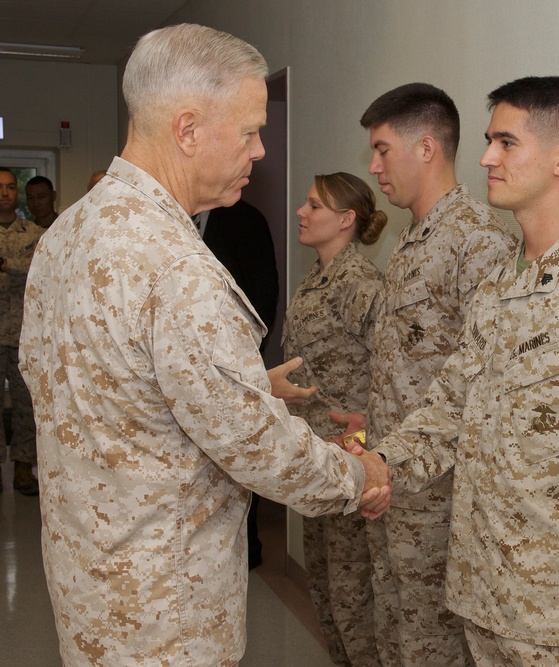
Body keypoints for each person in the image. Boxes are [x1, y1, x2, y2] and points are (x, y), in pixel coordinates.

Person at [17, 24, 390, 667]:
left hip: (91, 589)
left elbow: (84, 384)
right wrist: (360, 476)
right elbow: (259, 448)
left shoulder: (68, 233)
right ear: (188, 130)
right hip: (168, 613)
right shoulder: (177, 268)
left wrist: (242, 384)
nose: (262, 149)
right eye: (248, 130)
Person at [354, 76, 559, 666]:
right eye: (488, 141)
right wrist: (383, 463)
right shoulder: (497, 289)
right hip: (482, 592)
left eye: (506, 143)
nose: (486, 157)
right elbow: (448, 407)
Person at [341, 82, 516, 667]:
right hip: (393, 481)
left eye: (383, 150)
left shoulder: (478, 240)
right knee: (394, 631)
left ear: (426, 148)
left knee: (433, 647)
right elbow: (411, 364)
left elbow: (486, 385)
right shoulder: (411, 240)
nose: (373, 167)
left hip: (441, 501)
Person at [285, 172, 387, 666]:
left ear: (345, 220)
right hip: (316, 457)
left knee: (352, 595)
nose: (301, 213)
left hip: (350, 459)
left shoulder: (360, 282)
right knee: (324, 584)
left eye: (314, 206)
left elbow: (392, 369)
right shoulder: (313, 280)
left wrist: (368, 431)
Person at [194, 197, 280, 569]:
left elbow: (262, 292)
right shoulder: (177, 217)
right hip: (190, 366)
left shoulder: (245, 219)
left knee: (241, 450)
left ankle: (246, 546)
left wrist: (241, 355)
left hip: (232, 360)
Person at [0, 166, 43, 496]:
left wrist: (9, 267)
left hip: (21, 334)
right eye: (1, 187)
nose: (5, 193)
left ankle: (23, 468)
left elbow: (38, 275)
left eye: (12, 187)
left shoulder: (34, 233)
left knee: (27, 405)